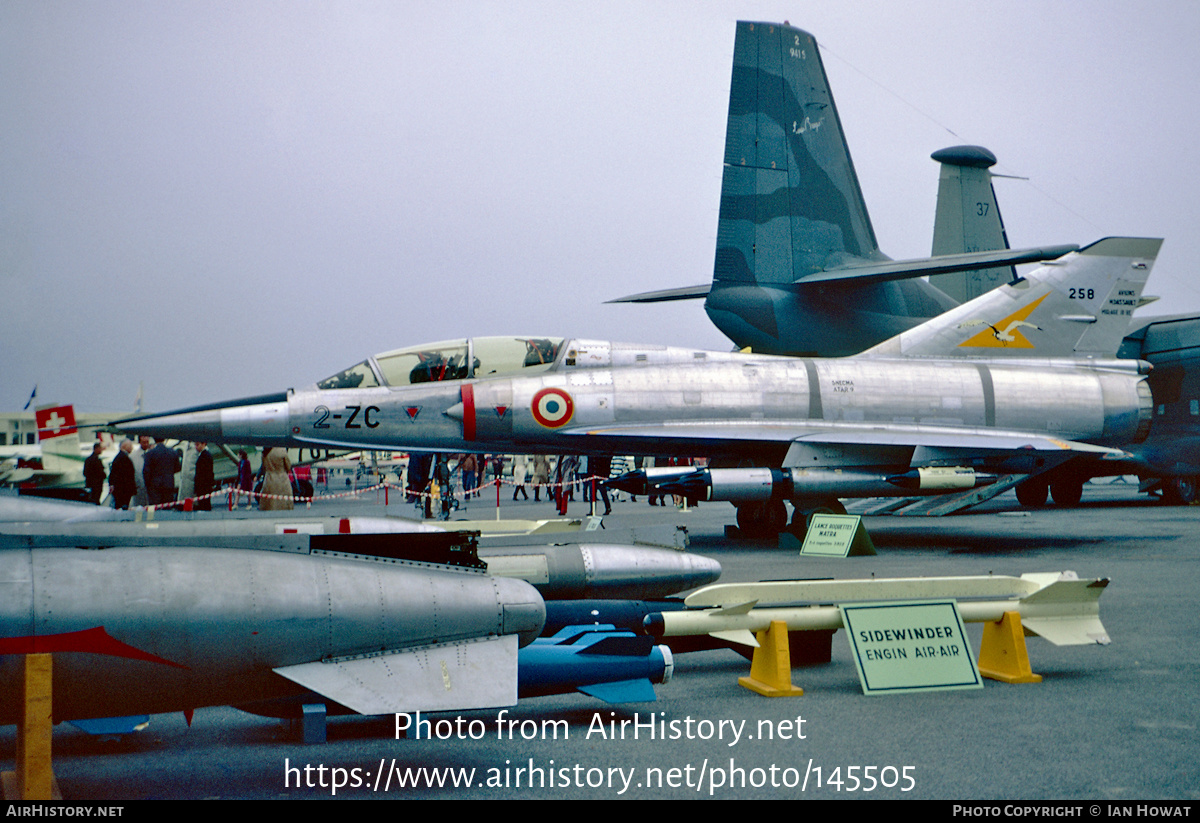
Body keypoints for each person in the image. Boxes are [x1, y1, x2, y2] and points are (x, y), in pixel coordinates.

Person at [143, 438, 180, 507]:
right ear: (164, 439)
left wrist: (148, 485)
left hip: (155, 486)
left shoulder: (150, 454)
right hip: (168, 484)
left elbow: (146, 472)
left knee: (154, 509)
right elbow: (177, 468)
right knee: (167, 507)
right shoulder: (173, 452)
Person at [108, 439, 137, 510]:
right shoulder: (123, 458)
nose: (132, 448)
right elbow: (127, 475)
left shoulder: (119, 457)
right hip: (124, 491)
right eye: (130, 446)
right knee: (123, 507)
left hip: (120, 490)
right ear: (125, 446)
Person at [193, 443, 214, 511]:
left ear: (203, 444)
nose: (196, 447)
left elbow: (206, 473)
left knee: (204, 505)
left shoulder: (205, 456)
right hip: (204, 486)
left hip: (203, 486)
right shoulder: (204, 455)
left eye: (197, 445)